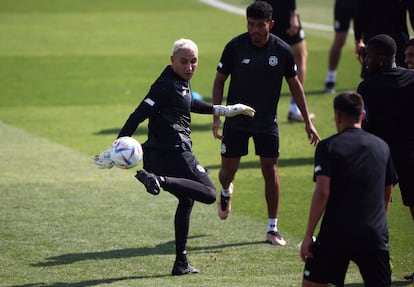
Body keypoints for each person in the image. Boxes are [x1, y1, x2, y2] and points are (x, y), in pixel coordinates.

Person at [93, 38, 255, 276]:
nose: (189, 67)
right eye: (184, 62)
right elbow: (138, 114)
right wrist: (116, 147)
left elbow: (188, 103)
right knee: (210, 193)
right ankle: (159, 181)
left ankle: (181, 262)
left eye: (194, 62)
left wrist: (224, 110)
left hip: (156, 157)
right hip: (175, 154)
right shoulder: (165, 85)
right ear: (172, 60)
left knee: (187, 199)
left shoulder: (180, 82)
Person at [212, 1, 320, 246]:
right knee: (227, 172)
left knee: (270, 171)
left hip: (266, 122)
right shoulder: (235, 47)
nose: (255, 30)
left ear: (270, 24)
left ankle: (273, 228)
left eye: (260, 25)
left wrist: (306, 121)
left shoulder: (282, 50)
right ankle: (227, 190)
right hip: (236, 120)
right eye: (251, 24)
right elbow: (219, 81)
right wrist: (217, 115)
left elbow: (295, 85)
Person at [300, 92, 398, 287]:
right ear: (362, 115)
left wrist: (308, 235)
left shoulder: (328, 147)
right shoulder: (382, 147)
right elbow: (387, 193)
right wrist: (378, 225)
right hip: (373, 234)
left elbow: (322, 192)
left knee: (312, 284)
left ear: (337, 116)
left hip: (336, 233)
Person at [356, 34, 414, 283]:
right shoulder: (412, 79)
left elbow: (364, 126)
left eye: (368, 56)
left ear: (381, 57)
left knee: (377, 213)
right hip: (410, 156)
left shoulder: (367, 87)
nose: (366, 60)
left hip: (381, 157)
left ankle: (381, 264)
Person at [261, 0, 315, 122]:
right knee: (300, 57)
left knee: (268, 58)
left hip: (265, 12)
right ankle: (294, 109)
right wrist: (293, 14)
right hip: (283, 12)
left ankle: (263, 110)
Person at [354, 0, 410, 71]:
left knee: (372, 76)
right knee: (400, 75)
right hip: (398, 38)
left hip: (373, 39)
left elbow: (360, 10)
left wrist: (358, 39)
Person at [324, 0, 357, 94]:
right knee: (339, 40)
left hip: (362, 3)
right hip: (344, 4)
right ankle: (330, 79)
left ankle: (370, 77)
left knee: (366, 39)